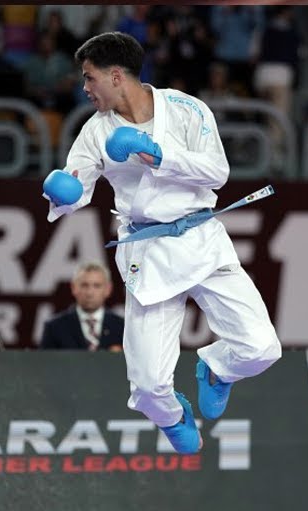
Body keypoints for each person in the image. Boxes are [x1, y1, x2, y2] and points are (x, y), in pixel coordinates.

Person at [40, 32, 281, 454]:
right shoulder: (95, 131)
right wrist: (63, 194)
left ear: (116, 76)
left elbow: (217, 172)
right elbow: (78, 190)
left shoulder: (187, 109)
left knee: (261, 348)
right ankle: (173, 416)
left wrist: (157, 155)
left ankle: (217, 369)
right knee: (149, 386)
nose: (85, 88)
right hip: (147, 250)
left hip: (201, 238)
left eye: (90, 77)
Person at [40, 262, 124, 350]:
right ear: (73, 288)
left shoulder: (122, 327)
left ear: (108, 289)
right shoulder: (55, 328)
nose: (90, 293)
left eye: (97, 286)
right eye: (84, 285)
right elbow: (45, 359)